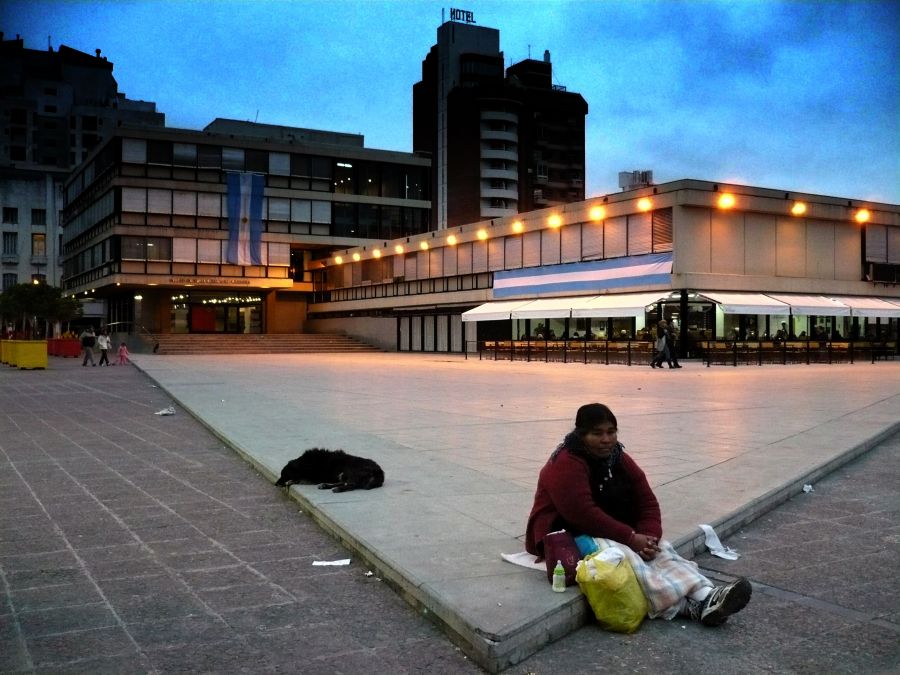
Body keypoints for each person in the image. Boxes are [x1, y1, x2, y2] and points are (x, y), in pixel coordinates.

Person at [525, 403, 752, 626]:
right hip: (567, 531)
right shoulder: (566, 462)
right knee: (622, 557)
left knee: (661, 550)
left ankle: (707, 594)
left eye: (611, 432)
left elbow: (647, 501)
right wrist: (631, 538)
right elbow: (582, 514)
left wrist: (649, 536)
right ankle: (693, 606)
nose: (606, 439)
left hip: (608, 527)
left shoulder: (617, 457)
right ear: (581, 434)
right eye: (597, 434)